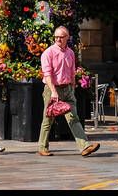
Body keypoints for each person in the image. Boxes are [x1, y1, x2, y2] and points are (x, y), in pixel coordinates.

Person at [38, 26, 98, 157]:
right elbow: (47, 75)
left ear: (67, 38)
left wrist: (72, 86)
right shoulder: (48, 53)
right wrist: (53, 91)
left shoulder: (70, 53)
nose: (58, 39)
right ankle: (42, 146)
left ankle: (84, 146)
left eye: (61, 37)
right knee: (48, 119)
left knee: (73, 118)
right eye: (56, 37)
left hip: (67, 89)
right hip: (53, 89)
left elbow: (72, 71)